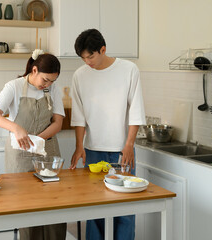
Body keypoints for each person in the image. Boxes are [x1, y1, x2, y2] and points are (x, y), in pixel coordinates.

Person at [69, 29, 146, 240]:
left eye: (91, 56)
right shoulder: (80, 75)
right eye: (83, 58)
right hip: (93, 152)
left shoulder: (129, 69)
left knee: (125, 210)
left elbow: (136, 111)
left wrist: (129, 145)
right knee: (94, 211)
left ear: (103, 49)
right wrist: (79, 146)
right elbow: (78, 116)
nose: (87, 62)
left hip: (122, 151)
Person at [0, 50, 67, 240]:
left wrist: (38, 140)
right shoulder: (14, 86)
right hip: (20, 154)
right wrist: (16, 128)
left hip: (48, 150)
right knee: (25, 204)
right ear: (34, 70)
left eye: (52, 81)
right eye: (45, 80)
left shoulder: (52, 89)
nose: (47, 85)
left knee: (54, 203)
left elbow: (58, 122)